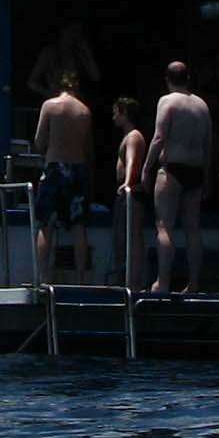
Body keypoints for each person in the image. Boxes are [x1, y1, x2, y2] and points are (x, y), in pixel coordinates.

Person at [148, 61, 217, 293]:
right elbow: (208, 145)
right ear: (188, 79)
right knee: (192, 228)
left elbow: (159, 138)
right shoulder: (202, 106)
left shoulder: (167, 101)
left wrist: (147, 169)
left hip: (172, 169)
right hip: (196, 170)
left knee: (164, 226)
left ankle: (163, 282)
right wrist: (207, 177)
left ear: (167, 80)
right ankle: (194, 283)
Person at [34, 75, 96, 280]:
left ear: (57, 86)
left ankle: (43, 276)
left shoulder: (50, 106)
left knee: (46, 224)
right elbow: (88, 148)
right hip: (78, 169)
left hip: (55, 167)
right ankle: (80, 277)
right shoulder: (84, 111)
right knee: (79, 225)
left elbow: (39, 141)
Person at [109, 96, 149, 291]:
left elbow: (132, 161)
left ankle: (133, 283)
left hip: (131, 193)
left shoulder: (133, 136)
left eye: (116, 112)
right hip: (127, 193)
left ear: (125, 113)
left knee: (132, 238)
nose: (113, 116)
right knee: (123, 238)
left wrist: (126, 184)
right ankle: (126, 279)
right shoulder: (128, 136)